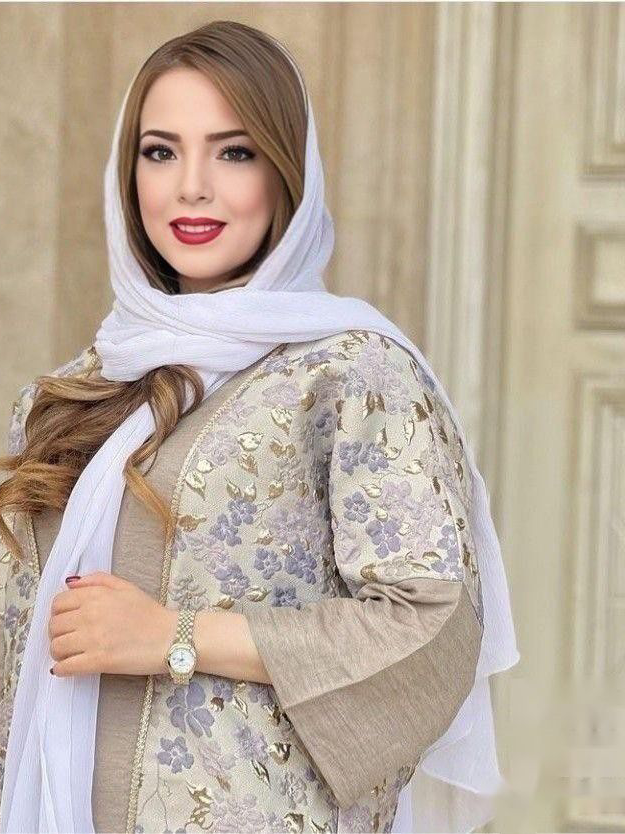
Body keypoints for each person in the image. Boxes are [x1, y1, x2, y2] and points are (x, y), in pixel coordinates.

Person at [0, 20, 519, 834]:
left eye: (233, 152)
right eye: (160, 152)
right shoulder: (72, 395)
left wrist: (174, 636)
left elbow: (432, 628)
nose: (191, 187)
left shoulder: (350, 373)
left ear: (286, 173)